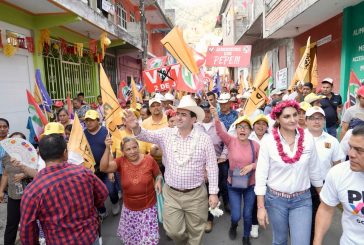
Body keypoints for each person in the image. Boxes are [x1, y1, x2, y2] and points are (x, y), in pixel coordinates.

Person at [125, 95, 219, 245]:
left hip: (196, 195)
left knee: (196, 232)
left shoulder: (204, 139)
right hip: (172, 194)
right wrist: (135, 126)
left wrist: (213, 193)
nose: (179, 118)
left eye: (184, 114)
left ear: (193, 119)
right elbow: (145, 135)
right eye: (178, 114)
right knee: (173, 231)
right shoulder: (166, 134)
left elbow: (212, 167)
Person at [255, 100, 323, 245]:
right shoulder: (268, 142)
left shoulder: (308, 138)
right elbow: (260, 176)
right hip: (275, 200)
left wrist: (323, 198)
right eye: (286, 116)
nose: (293, 120)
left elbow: (315, 171)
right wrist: (261, 207)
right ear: (277, 119)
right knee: (280, 241)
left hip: (302, 200)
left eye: (295, 115)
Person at [19, 134, 108, 244]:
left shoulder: (33, 189)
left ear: (40, 156)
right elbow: (103, 193)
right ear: (65, 153)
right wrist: (92, 206)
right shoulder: (84, 173)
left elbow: (27, 229)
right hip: (89, 236)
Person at [100, 137, 162, 245]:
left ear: (138, 147)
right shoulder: (120, 162)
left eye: (135, 147)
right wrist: (107, 148)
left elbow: (159, 175)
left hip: (148, 210)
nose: (132, 151)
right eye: (128, 149)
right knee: (133, 241)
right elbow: (103, 168)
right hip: (130, 211)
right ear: (123, 152)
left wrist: (158, 181)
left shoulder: (149, 160)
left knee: (149, 242)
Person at [212, 108, 259, 245]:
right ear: (236, 129)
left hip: (250, 185)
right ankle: (233, 225)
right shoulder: (231, 141)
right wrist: (216, 116)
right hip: (233, 185)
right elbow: (220, 131)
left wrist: (252, 166)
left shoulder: (255, 145)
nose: (242, 130)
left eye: (245, 127)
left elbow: (262, 161)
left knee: (248, 214)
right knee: (236, 215)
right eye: (239, 127)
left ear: (250, 131)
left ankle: (246, 236)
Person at [313, 125, 364, 245]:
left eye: (359, 150)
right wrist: (317, 241)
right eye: (350, 147)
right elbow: (326, 209)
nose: (350, 154)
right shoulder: (338, 173)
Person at [305, 106, 345, 243]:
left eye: (320, 118)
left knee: (317, 218)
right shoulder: (299, 138)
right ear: (306, 121)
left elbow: (338, 165)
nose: (316, 121)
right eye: (313, 118)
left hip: (322, 187)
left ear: (324, 121)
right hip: (301, 186)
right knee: (301, 220)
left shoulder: (332, 141)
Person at [0, 132, 37, 245]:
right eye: (14, 141)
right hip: (13, 195)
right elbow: (5, 174)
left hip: (30, 195)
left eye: (20, 141)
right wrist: (1, 190)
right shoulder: (6, 157)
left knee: (31, 223)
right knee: (11, 223)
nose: (17, 144)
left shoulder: (32, 155)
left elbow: (38, 173)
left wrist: (24, 174)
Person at [195, 101, 226, 233]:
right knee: (199, 192)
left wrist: (223, 156)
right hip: (198, 164)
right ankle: (197, 216)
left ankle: (209, 218)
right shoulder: (194, 126)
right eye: (203, 112)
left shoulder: (219, 124)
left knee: (213, 190)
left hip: (217, 162)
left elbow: (227, 142)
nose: (206, 114)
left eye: (208, 111)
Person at [84, 109, 120, 217]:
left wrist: (110, 171)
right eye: (87, 120)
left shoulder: (106, 132)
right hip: (91, 170)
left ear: (98, 121)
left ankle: (114, 202)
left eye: (92, 120)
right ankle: (101, 210)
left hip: (105, 167)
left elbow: (111, 151)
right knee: (94, 193)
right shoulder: (83, 134)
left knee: (111, 189)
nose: (89, 123)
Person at [248, 114, 269, 239]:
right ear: (253, 125)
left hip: (268, 176)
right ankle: (254, 224)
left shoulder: (271, 138)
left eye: (263, 124)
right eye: (258, 123)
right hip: (251, 175)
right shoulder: (249, 136)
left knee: (266, 200)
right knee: (253, 201)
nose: (260, 126)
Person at [141, 96, 168, 172]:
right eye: (153, 106)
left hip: (168, 160)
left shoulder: (169, 120)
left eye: (158, 105)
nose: (156, 108)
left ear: (162, 106)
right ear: (149, 109)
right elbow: (142, 144)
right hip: (150, 160)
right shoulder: (144, 123)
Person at [0, 118, 9, 182]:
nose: (2, 129)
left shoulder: (14, 142)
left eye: (4, 126)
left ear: (8, 128)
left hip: (9, 175)